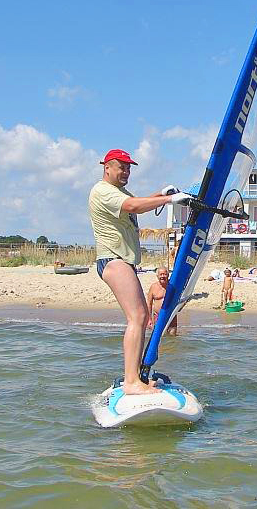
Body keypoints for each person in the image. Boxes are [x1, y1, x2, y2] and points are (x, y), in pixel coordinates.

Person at [88, 148, 190, 395]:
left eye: (129, 168)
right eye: (121, 167)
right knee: (137, 318)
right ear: (107, 168)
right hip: (114, 260)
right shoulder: (102, 191)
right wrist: (168, 201)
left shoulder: (118, 192)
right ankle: (132, 382)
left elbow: (137, 202)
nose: (126, 172)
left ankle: (135, 378)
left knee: (142, 317)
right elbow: (134, 206)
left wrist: (160, 194)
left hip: (122, 261)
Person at [147, 267, 178, 336]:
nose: (162, 276)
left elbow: (180, 298)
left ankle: (171, 347)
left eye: (165, 274)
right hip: (158, 316)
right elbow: (149, 303)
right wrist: (149, 319)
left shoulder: (173, 286)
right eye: (161, 274)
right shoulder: (153, 287)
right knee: (158, 336)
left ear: (168, 275)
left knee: (172, 337)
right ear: (157, 276)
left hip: (171, 316)